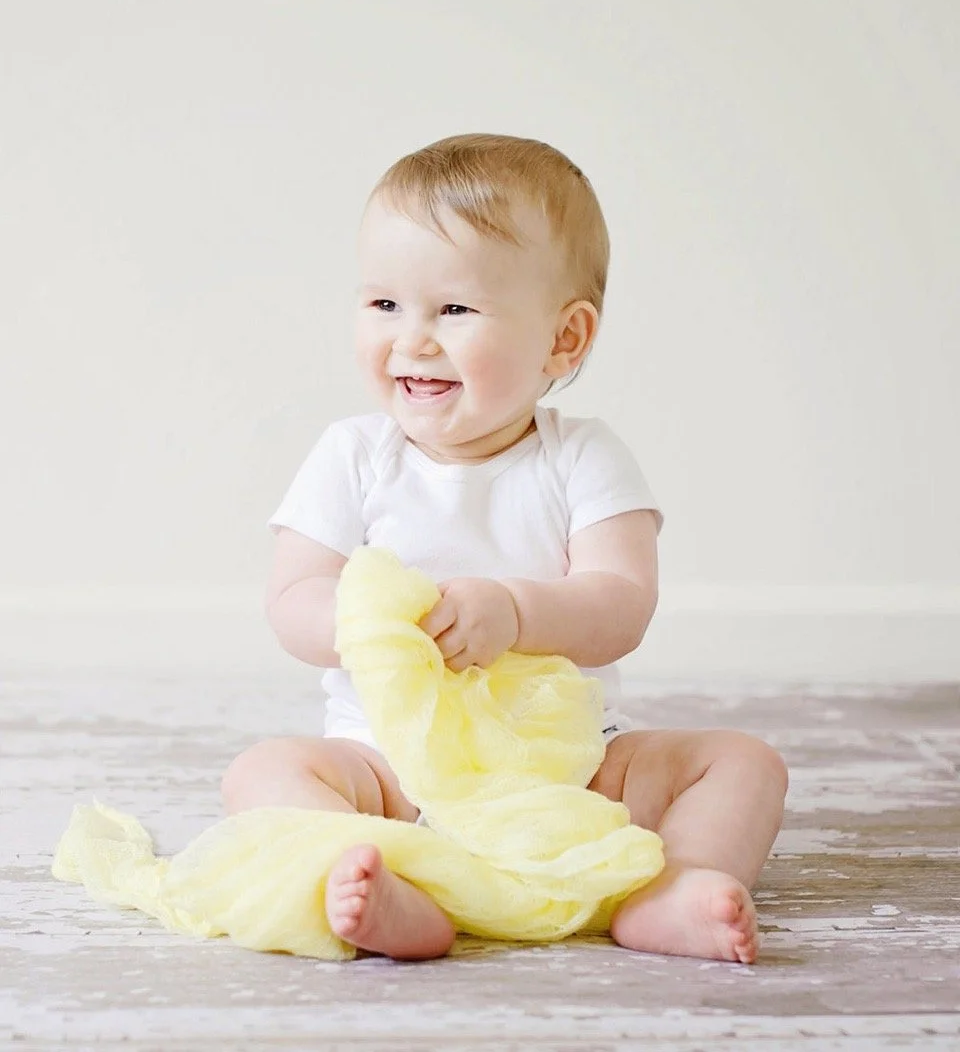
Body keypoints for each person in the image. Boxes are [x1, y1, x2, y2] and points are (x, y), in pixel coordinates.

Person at [221, 134, 788, 964]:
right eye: (384, 304)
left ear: (564, 339)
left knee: (744, 763)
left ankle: (676, 889)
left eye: (453, 310)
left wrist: (516, 611)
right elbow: (292, 598)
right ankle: (387, 878)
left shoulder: (581, 457)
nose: (412, 339)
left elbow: (621, 603)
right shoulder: (352, 455)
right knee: (262, 772)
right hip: (388, 769)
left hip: (565, 773)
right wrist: (377, 628)